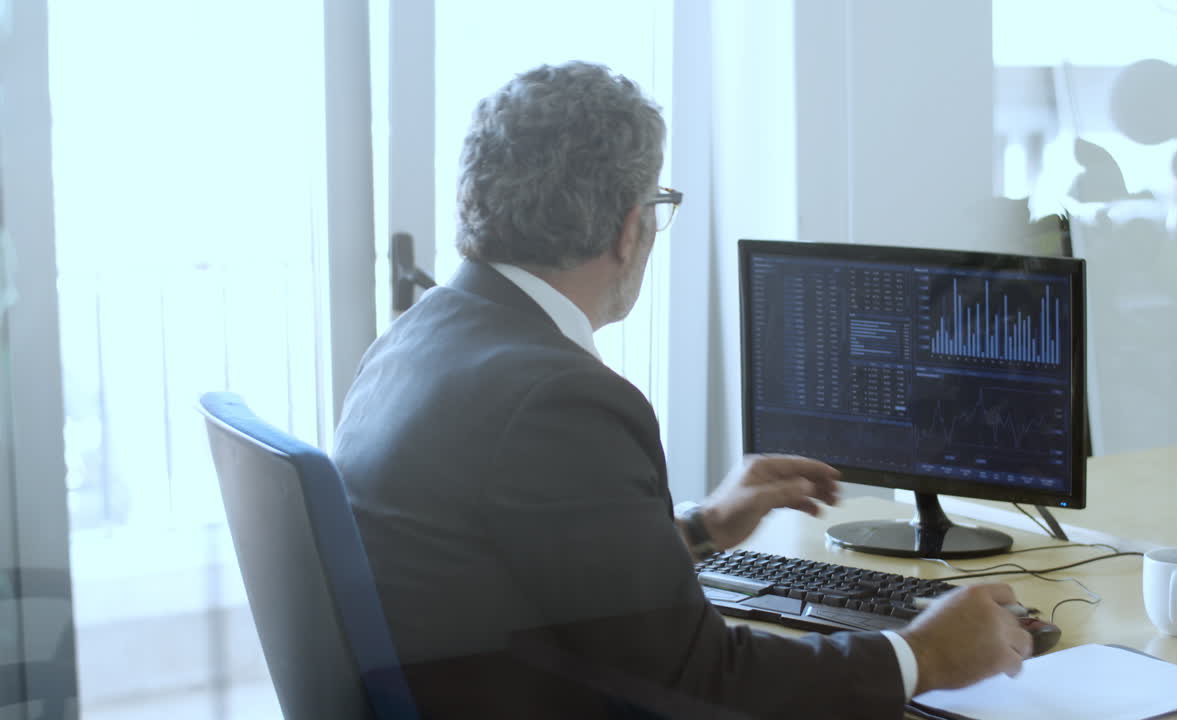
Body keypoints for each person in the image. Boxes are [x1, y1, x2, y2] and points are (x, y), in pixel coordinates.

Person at [334, 61, 1032, 719]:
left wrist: (701, 529)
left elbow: (541, 569)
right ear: (628, 229)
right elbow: (702, 686)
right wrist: (922, 655)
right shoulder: (557, 399)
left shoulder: (416, 339)